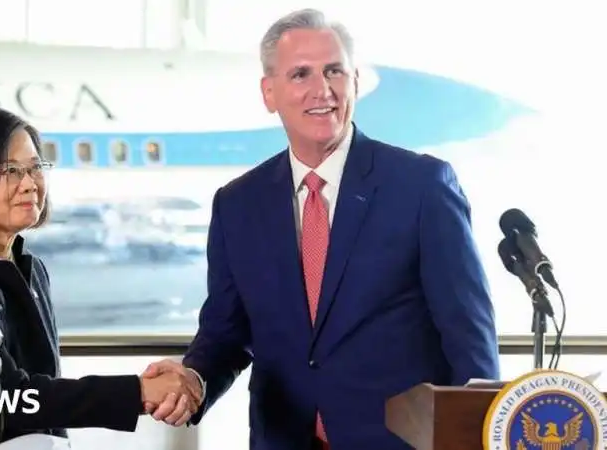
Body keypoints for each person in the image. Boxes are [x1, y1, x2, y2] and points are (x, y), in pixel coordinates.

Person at [140, 8, 500, 449]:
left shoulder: (421, 186)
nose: (322, 90)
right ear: (269, 92)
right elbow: (226, 331)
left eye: (334, 71)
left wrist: (479, 433)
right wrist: (193, 378)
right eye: (300, 75)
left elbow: (467, 332)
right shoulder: (237, 203)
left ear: (355, 82)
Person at [0, 104, 200, 450]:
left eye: (35, 167)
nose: (29, 184)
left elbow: (41, 389)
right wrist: (138, 392)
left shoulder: (30, 267)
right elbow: (8, 400)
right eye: (9, 171)